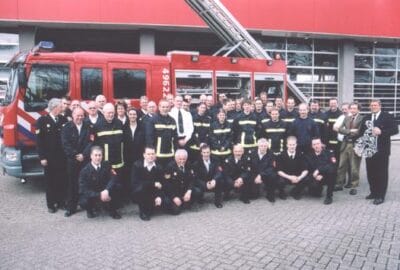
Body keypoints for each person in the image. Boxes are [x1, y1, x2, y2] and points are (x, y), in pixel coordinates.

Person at [359, 99, 398, 205]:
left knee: (381, 173)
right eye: (371, 105)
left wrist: (382, 132)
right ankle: (373, 192)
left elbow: (395, 130)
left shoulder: (387, 116)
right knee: (371, 173)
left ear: (380, 106)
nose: (373, 107)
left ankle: (380, 195)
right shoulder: (366, 118)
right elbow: (361, 132)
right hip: (369, 151)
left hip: (382, 151)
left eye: (375, 105)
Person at [36, 98, 68, 213]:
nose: (62, 108)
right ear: (54, 107)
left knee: (62, 180)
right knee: (50, 181)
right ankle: (51, 204)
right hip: (49, 158)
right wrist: (42, 157)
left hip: (62, 157)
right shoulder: (42, 121)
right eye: (60, 106)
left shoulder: (63, 119)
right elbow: (39, 141)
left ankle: (61, 202)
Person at [61, 107, 93, 217]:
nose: (79, 117)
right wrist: (76, 155)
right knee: (72, 185)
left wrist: (84, 154)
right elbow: (65, 144)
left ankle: (89, 208)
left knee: (87, 184)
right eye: (77, 115)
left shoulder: (89, 126)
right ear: (73, 115)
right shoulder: (66, 127)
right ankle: (71, 208)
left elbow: (91, 143)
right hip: (72, 161)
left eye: (81, 115)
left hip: (85, 160)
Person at [79, 146, 121, 219]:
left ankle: (112, 210)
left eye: (100, 155)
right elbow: (83, 189)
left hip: (105, 191)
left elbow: (114, 178)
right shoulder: (85, 171)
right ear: (91, 156)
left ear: (102, 156)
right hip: (94, 194)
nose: (98, 158)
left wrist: (107, 190)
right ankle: (90, 210)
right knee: (83, 201)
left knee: (118, 187)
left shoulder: (107, 165)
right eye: (95, 155)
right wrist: (99, 195)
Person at [336, 102, 363, 195]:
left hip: (355, 145)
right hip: (345, 144)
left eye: (355, 108)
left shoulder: (362, 119)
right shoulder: (346, 118)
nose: (352, 110)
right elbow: (339, 129)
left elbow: (359, 132)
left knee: (354, 167)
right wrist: (350, 131)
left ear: (358, 109)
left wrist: (346, 131)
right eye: (351, 108)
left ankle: (354, 186)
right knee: (341, 165)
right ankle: (339, 184)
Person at [163, 149, 201, 215]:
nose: (182, 161)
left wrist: (189, 191)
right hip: (174, 192)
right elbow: (167, 185)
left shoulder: (189, 165)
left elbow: (192, 179)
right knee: (176, 212)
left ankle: (188, 203)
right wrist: (174, 197)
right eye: (180, 159)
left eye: (184, 159)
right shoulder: (169, 167)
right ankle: (182, 203)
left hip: (184, 191)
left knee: (197, 191)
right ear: (175, 158)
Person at [130, 147, 164, 221]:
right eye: (148, 154)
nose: (151, 156)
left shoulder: (159, 167)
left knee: (169, 205)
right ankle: (143, 212)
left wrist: (159, 196)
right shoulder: (137, 165)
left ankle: (152, 205)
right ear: (144, 155)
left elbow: (162, 184)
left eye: (153, 154)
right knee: (141, 189)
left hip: (154, 192)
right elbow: (135, 183)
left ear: (155, 155)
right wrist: (153, 184)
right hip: (141, 192)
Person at [145, 99, 178, 168]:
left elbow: (175, 138)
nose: (165, 109)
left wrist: (176, 152)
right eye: (163, 107)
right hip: (157, 155)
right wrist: (152, 154)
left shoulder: (172, 120)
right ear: (159, 107)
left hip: (170, 154)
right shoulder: (153, 120)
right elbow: (149, 138)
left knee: (169, 175)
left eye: (167, 107)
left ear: (169, 108)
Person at [305, 137, 336, 205]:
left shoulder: (329, 153)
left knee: (332, 172)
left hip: (326, 176)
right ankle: (315, 189)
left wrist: (319, 170)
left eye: (318, 143)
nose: (316, 146)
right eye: (314, 144)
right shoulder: (308, 155)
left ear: (321, 144)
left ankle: (329, 196)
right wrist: (315, 176)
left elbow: (332, 165)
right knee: (315, 194)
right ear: (312, 146)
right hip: (315, 177)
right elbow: (307, 169)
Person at [124, 107, 145, 176]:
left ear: (137, 115)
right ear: (127, 115)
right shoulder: (124, 127)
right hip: (127, 157)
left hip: (139, 156)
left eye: (134, 114)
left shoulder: (142, 127)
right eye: (130, 114)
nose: (132, 116)